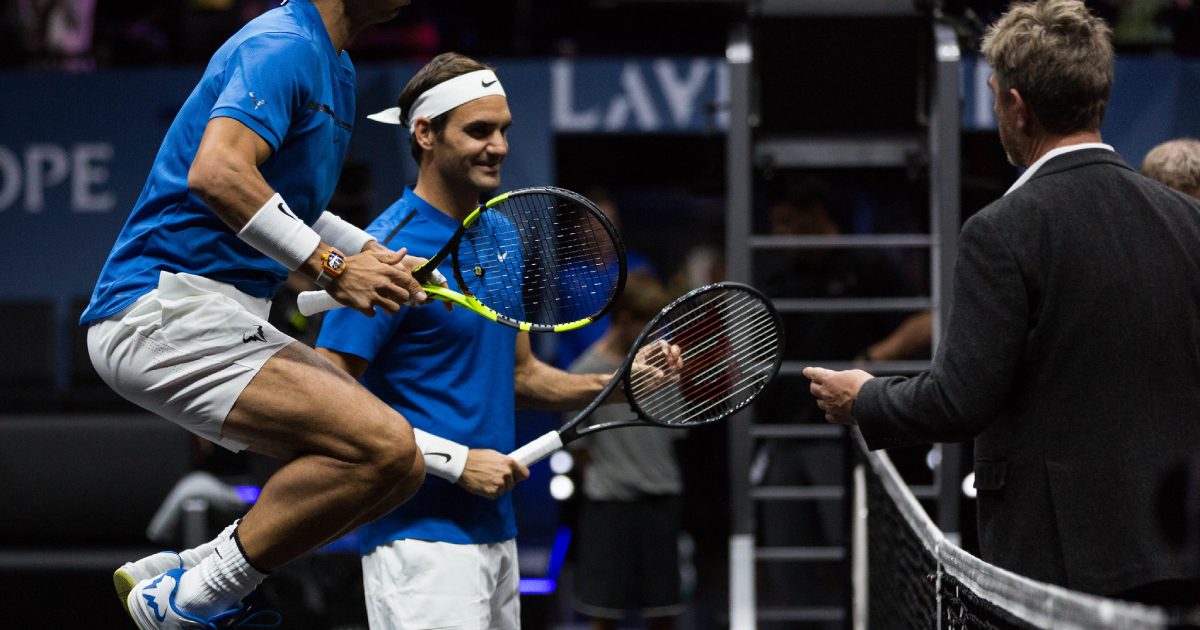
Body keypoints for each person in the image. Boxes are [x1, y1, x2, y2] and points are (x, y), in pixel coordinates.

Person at [805, 0, 1200, 608]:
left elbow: (959, 400)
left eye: (994, 97)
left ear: (1017, 107)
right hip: (1180, 552)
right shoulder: (1188, 219)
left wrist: (864, 399)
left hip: (1061, 575)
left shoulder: (1002, 230)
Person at [79, 1, 439, 627]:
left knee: (400, 468)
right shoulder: (283, 45)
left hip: (221, 313)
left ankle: (187, 574)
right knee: (383, 446)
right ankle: (187, 602)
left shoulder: (338, 68)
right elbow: (218, 171)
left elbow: (291, 206)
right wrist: (334, 267)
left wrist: (368, 254)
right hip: (160, 308)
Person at [313, 52, 680, 630]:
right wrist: (455, 464)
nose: (499, 146)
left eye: (504, 129)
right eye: (479, 131)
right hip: (418, 539)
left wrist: (621, 383)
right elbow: (324, 398)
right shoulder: (385, 248)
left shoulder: (503, 235)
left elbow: (520, 376)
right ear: (425, 134)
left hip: (496, 533)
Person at [565, 273, 683, 630]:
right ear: (626, 318)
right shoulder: (583, 373)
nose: (657, 334)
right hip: (608, 507)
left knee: (663, 614)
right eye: (649, 323)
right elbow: (579, 452)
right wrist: (612, 479)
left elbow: (675, 433)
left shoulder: (665, 366)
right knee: (604, 614)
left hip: (661, 501)